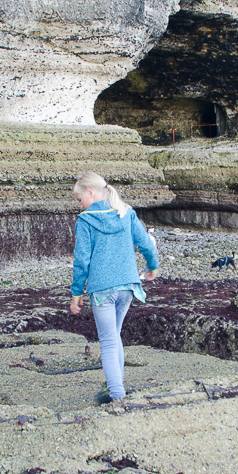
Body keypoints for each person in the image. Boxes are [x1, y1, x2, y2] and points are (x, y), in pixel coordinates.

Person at [69, 171, 159, 411]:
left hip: (102, 290)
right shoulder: (126, 212)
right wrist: (152, 266)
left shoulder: (85, 221)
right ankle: (116, 387)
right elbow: (145, 243)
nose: (80, 205)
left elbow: (82, 261)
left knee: (108, 341)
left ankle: (118, 396)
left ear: (90, 192)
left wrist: (76, 293)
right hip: (128, 287)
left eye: (80, 199)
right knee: (114, 336)